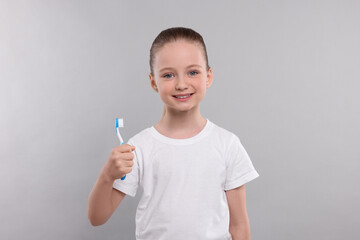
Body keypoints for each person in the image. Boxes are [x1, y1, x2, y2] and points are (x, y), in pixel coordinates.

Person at [88, 27, 260, 240]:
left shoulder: (227, 144)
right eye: (168, 75)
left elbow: (240, 226)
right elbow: (97, 217)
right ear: (153, 82)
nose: (181, 84)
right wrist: (107, 175)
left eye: (193, 72)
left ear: (208, 77)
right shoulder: (139, 147)